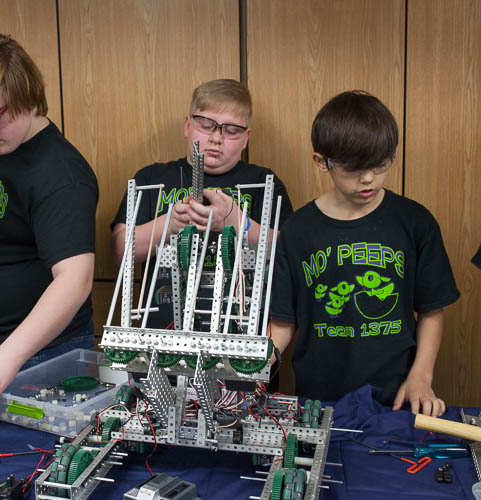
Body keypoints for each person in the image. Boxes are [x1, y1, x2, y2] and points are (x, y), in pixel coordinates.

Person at [269, 90, 460, 416]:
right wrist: (252, 370)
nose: (368, 178)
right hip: (319, 399)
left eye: (380, 164)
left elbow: (431, 309)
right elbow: (284, 322)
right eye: (354, 168)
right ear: (321, 162)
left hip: (397, 396)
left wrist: (421, 377)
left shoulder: (415, 222)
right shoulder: (298, 231)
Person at [0, 35, 98, 412]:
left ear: (29, 99)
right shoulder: (4, 143)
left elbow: (75, 280)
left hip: (41, 357)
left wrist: (8, 357)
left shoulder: (62, 175)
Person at [110, 79, 292, 335]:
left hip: (240, 331)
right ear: (188, 125)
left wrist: (236, 222)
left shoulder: (263, 182)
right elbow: (119, 251)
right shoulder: (151, 178)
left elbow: (287, 251)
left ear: (246, 138)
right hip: (163, 334)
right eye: (206, 125)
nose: (216, 138)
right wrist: (169, 224)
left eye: (231, 130)